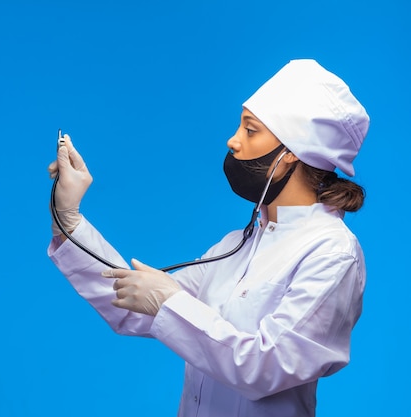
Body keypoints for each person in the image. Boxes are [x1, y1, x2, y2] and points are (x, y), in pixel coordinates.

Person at [46, 59, 369, 417]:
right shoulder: (237, 244)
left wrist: (169, 302)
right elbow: (132, 307)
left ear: (292, 151)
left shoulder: (333, 253)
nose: (233, 140)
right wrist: (68, 217)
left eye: (250, 130)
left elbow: (265, 368)